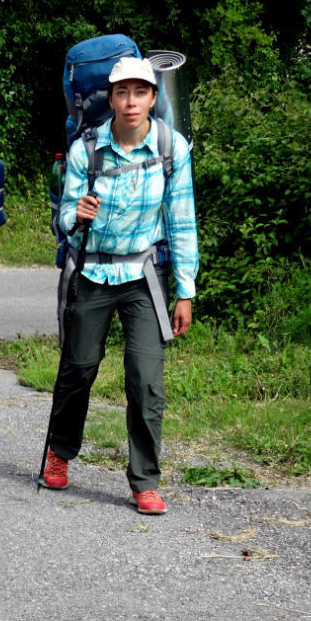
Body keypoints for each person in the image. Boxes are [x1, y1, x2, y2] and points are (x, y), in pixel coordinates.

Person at [41, 56, 198, 514]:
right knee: (79, 367)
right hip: (92, 272)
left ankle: (145, 480)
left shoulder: (172, 149)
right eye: (122, 93)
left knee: (147, 381)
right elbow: (63, 224)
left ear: (153, 98)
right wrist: (76, 216)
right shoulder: (84, 152)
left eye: (140, 92)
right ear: (110, 99)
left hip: (142, 277)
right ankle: (59, 452)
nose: (131, 102)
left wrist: (185, 290)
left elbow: (182, 221)